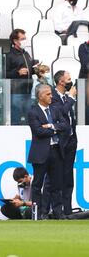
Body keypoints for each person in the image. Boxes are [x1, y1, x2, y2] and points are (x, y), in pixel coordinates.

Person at [27, 84, 70, 220]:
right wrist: (56, 129)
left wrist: (52, 126)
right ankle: (38, 213)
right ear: (40, 96)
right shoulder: (33, 112)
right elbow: (38, 131)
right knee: (37, 185)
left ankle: (58, 212)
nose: (51, 96)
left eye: (51, 94)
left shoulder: (55, 109)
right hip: (40, 153)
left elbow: (65, 125)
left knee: (57, 184)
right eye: (48, 94)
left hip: (56, 151)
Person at [48, 71, 78, 215]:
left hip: (71, 139)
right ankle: (55, 209)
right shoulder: (52, 97)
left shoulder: (66, 97)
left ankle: (67, 209)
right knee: (56, 176)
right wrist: (71, 98)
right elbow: (61, 114)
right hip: (60, 141)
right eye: (68, 79)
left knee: (68, 176)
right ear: (61, 82)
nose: (71, 82)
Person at [6, 29, 37, 125]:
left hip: (28, 92)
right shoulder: (9, 55)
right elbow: (4, 74)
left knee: (29, 121)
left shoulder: (26, 53)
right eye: (23, 39)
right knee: (16, 119)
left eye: (25, 38)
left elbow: (29, 70)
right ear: (15, 41)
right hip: (16, 93)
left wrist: (37, 70)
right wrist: (17, 72)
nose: (25, 41)